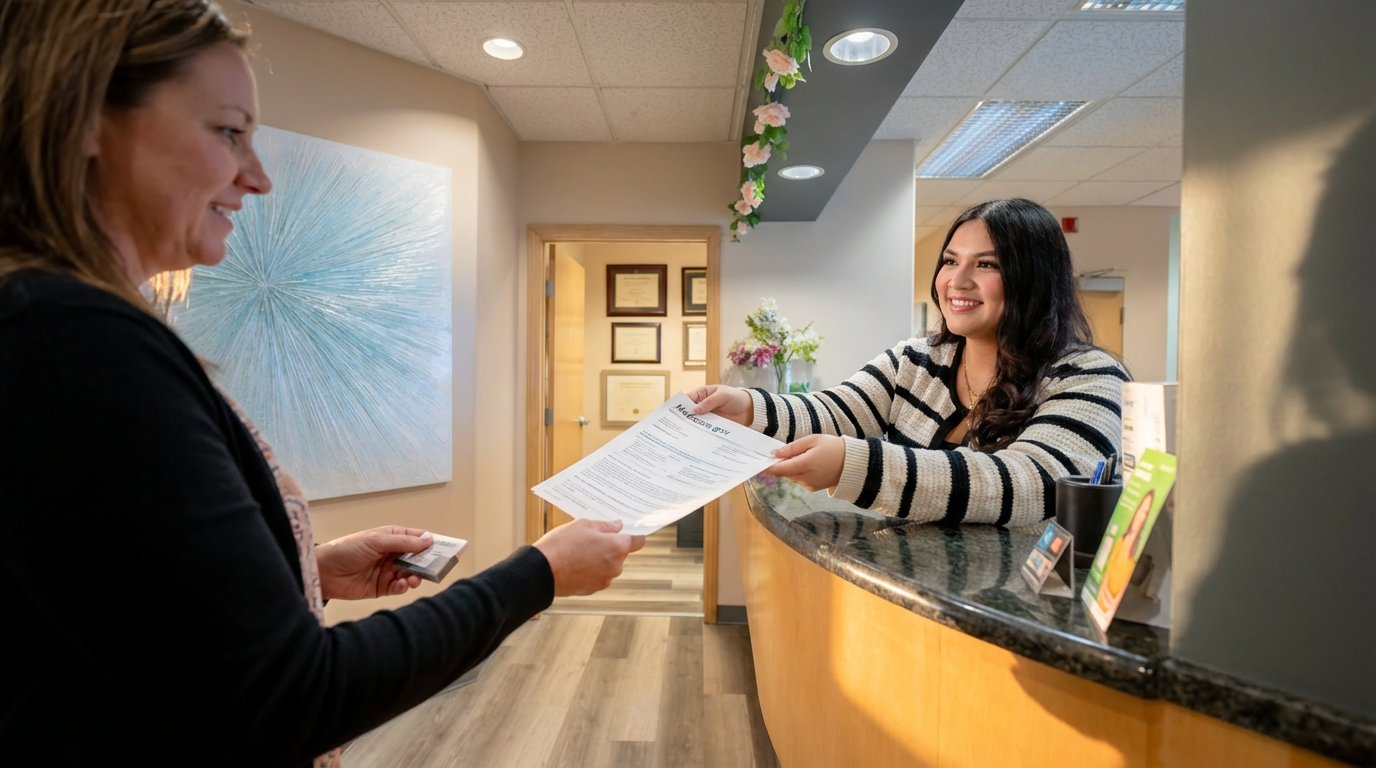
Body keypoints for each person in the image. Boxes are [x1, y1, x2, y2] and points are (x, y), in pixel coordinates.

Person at [0, 1, 642, 765]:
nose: (257, 177)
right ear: (86, 118)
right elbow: (292, 697)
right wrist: (537, 574)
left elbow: (132, 613)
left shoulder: (50, 326)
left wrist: (307, 573)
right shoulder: (74, 338)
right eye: (228, 132)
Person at [692, 198, 1128, 526]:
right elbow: (837, 411)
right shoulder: (917, 359)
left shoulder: (1091, 378)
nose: (957, 280)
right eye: (950, 261)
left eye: (986, 264)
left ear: (1034, 281)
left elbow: (1029, 484)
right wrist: (747, 407)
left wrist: (856, 466)